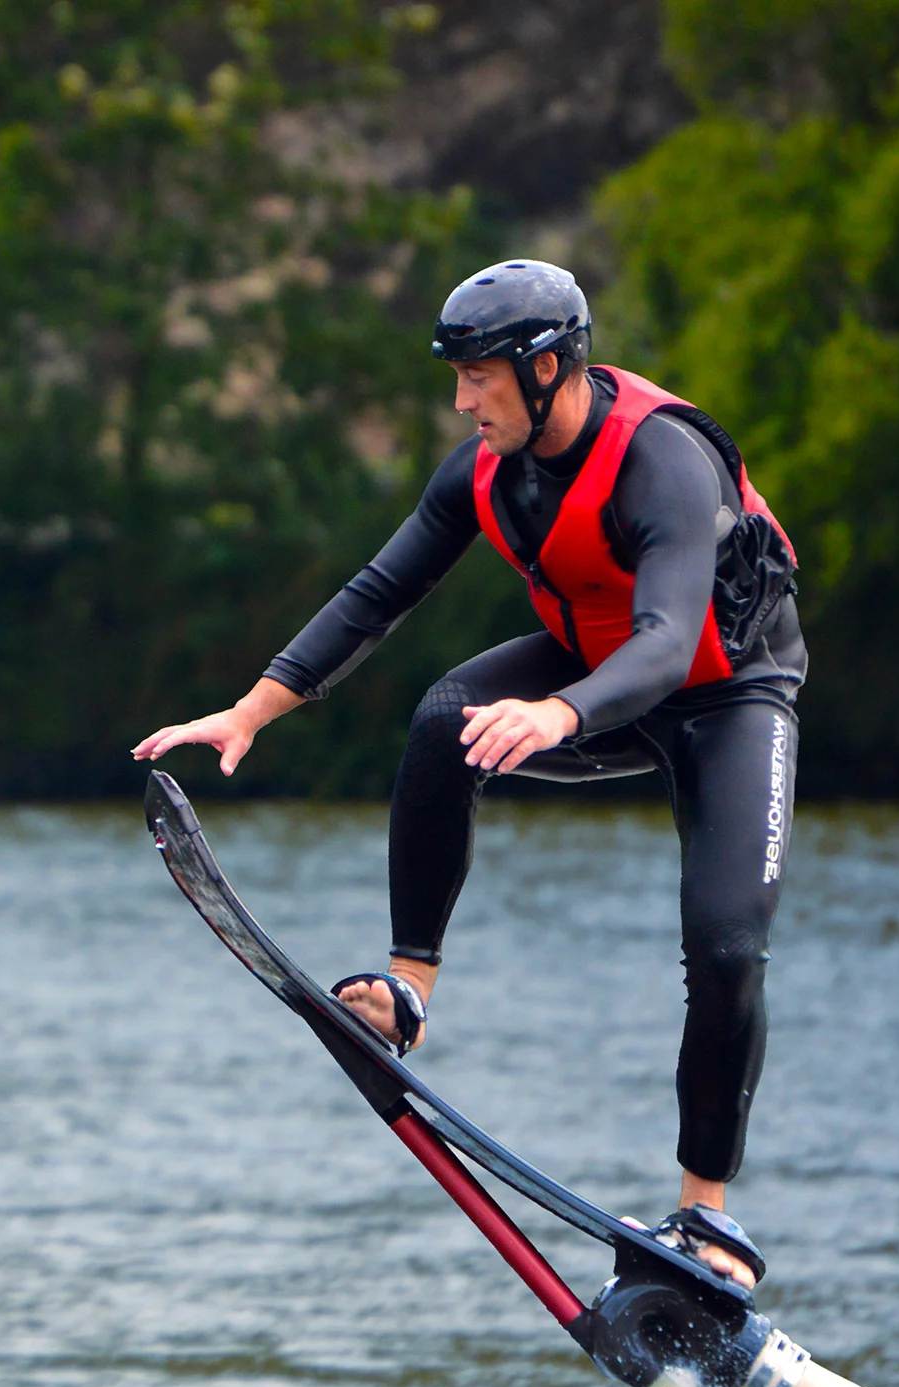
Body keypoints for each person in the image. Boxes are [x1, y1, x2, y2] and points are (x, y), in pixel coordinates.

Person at [134, 260, 799, 1288]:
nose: (460, 399)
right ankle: (405, 991)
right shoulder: (483, 473)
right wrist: (252, 707)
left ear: (545, 368)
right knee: (445, 718)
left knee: (723, 948)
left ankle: (704, 1222)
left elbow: (669, 643)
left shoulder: (659, 463)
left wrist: (556, 710)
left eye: (478, 376)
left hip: (725, 691)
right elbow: (374, 594)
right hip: (587, 676)